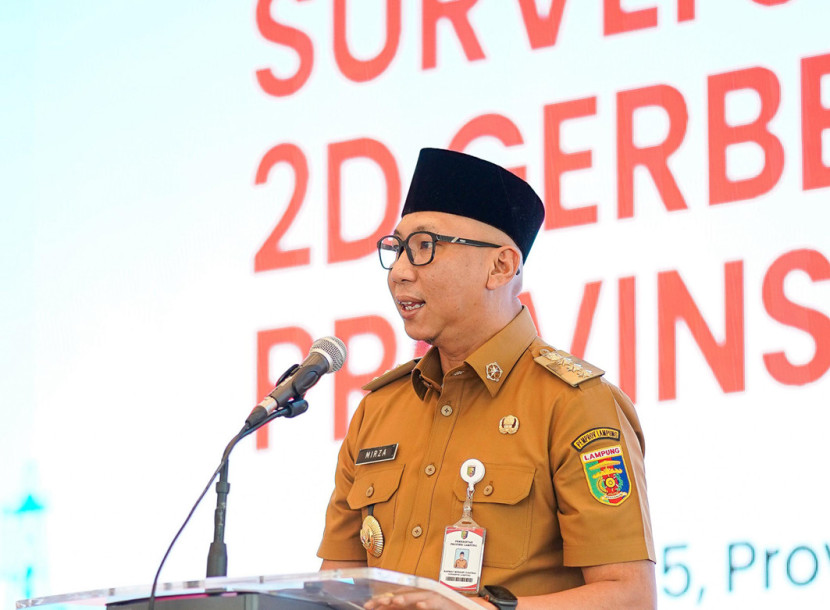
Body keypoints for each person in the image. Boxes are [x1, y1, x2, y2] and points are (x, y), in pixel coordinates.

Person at [317, 148, 656, 609]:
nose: (398, 273)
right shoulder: (379, 411)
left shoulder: (573, 404)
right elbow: (335, 588)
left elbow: (629, 598)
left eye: (424, 247)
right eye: (397, 249)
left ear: (500, 266)